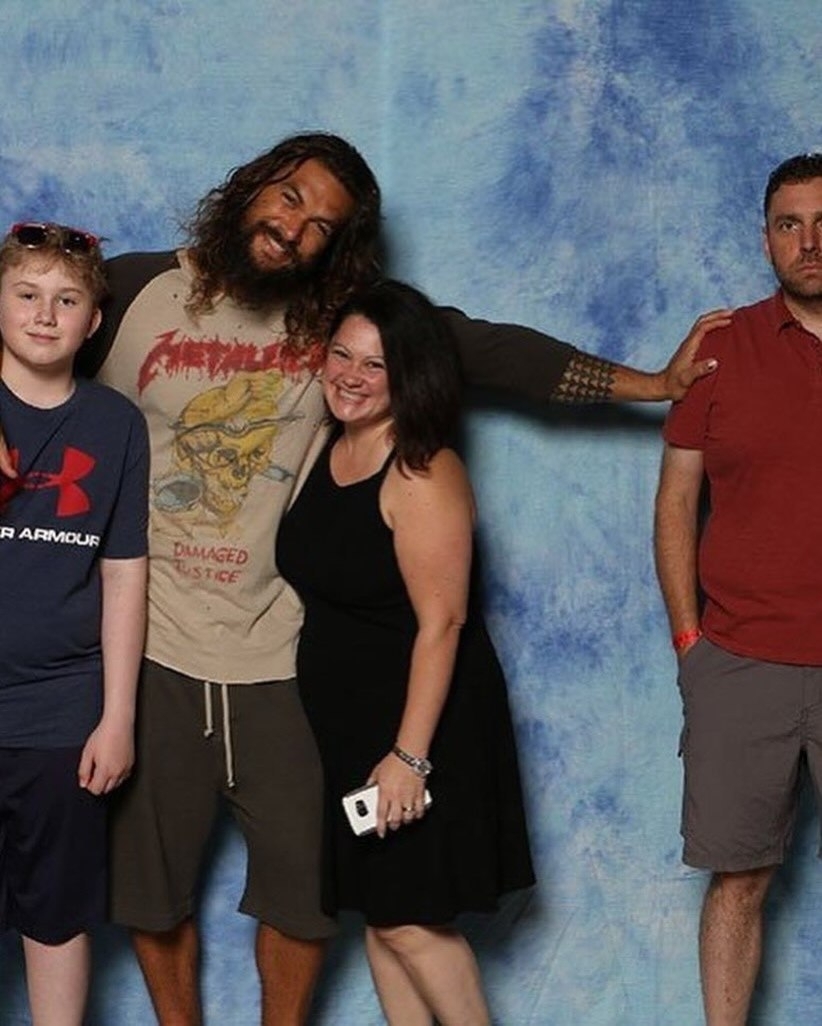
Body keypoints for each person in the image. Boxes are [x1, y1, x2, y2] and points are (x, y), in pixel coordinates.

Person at [0, 133, 727, 1026]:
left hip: (283, 657)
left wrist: (650, 383)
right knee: (149, 894)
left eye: (322, 223)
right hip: (153, 652)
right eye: (290, 196)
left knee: (307, 895)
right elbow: (30, 313)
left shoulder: (345, 322)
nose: (295, 226)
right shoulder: (136, 286)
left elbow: (491, 352)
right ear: (252, 187)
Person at [276, 279, 534, 1025]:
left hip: (423, 728)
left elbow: (443, 622)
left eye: (376, 365)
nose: (351, 376)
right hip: (351, 730)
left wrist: (408, 758)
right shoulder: (330, 445)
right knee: (382, 918)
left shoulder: (422, 469)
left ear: (410, 376)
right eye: (342, 355)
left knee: (411, 922)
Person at [654, 152, 822, 1026]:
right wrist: (692, 642)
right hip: (740, 662)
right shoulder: (720, 348)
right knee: (740, 879)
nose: (810, 241)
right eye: (790, 224)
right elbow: (676, 501)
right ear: (767, 241)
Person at [0, 222, 148, 1026]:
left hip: (61, 710)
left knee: (56, 915)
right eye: (26, 294)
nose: (44, 314)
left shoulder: (115, 424)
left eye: (67, 300)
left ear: (94, 322)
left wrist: (117, 717)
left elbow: (124, 573)